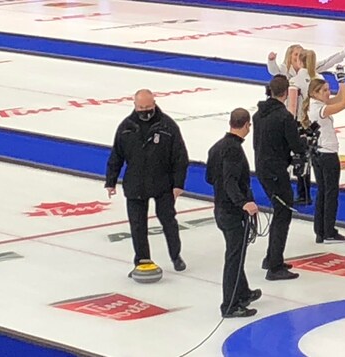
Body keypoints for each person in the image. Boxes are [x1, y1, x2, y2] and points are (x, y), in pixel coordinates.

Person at [105, 89, 189, 275]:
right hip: (135, 183)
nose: (145, 111)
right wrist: (111, 181)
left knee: (168, 220)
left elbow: (180, 157)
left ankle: (176, 256)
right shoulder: (126, 127)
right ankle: (142, 259)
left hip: (163, 183)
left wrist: (178, 184)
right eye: (141, 107)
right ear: (135, 106)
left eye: (148, 107)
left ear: (155, 103)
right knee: (137, 224)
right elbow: (116, 155)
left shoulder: (167, 126)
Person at [205, 108, 261, 318]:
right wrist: (243, 202)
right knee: (234, 257)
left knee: (236, 252)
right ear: (247, 125)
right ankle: (230, 304)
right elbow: (229, 180)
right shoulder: (234, 150)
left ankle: (243, 291)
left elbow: (210, 178)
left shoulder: (216, 147)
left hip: (220, 208)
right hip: (231, 212)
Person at [253, 75, 306, 280]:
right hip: (275, 171)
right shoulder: (284, 117)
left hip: (263, 167)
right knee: (283, 213)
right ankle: (274, 266)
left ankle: (272, 257)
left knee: (279, 211)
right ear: (285, 93)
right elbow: (296, 145)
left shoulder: (259, 114)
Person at [304, 66, 345, 244]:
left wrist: (341, 85)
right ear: (315, 93)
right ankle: (328, 231)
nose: (327, 92)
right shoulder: (319, 109)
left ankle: (321, 230)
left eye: (328, 89)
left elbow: (340, 98)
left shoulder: (316, 105)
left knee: (323, 192)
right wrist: (341, 81)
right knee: (330, 193)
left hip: (319, 154)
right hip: (327, 154)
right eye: (324, 90)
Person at [287, 49, 324, 205]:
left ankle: (303, 194)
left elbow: (292, 106)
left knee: (301, 159)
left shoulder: (295, 80)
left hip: (301, 123)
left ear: (300, 61)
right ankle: (322, 192)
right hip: (318, 121)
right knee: (317, 157)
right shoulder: (320, 78)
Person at [267, 42, 345, 79]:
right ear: (289, 56)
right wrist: (271, 61)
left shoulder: (309, 67)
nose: (298, 57)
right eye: (295, 54)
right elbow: (274, 71)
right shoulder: (284, 68)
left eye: (300, 54)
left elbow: (328, 63)